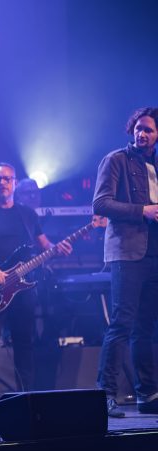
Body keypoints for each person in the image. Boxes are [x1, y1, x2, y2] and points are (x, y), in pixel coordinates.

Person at [0, 163, 72, 411]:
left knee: (24, 342)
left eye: (7, 179)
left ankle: (26, 394)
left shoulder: (27, 215)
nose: (3, 183)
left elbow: (44, 246)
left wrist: (58, 249)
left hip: (22, 289)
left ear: (14, 183)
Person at [92, 106, 158, 418]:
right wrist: (142, 210)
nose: (142, 134)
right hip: (127, 251)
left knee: (146, 327)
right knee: (121, 323)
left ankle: (148, 393)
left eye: (149, 130)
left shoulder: (155, 164)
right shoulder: (116, 159)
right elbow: (101, 203)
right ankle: (105, 394)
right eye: (139, 128)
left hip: (153, 252)